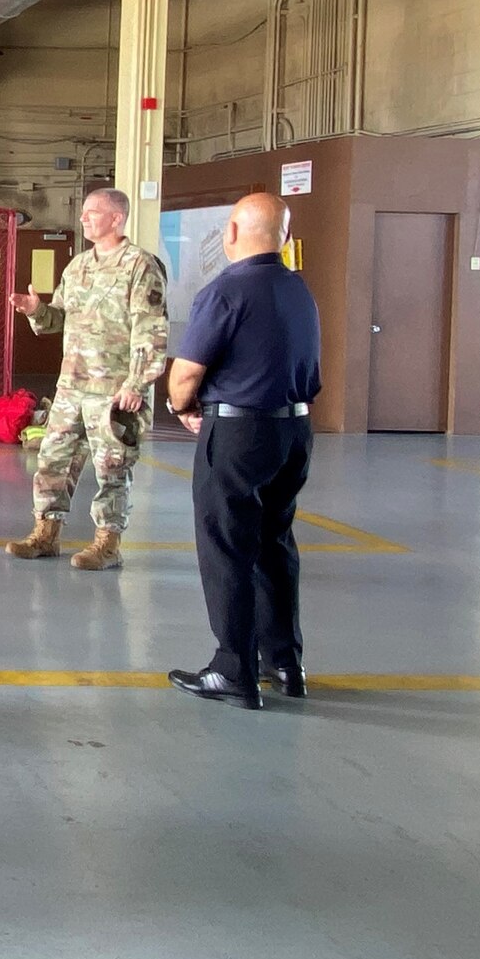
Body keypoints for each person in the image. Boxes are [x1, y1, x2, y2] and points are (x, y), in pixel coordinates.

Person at [165, 193, 322, 711]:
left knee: (228, 545)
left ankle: (234, 670)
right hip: (294, 431)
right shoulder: (298, 289)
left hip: (239, 434)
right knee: (275, 542)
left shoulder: (227, 290)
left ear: (231, 232)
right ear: (284, 235)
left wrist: (181, 405)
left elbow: (187, 371)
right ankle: (285, 662)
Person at [4, 188, 169, 571]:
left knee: (112, 467)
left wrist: (136, 384)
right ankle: (46, 534)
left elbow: (151, 331)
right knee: (52, 461)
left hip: (113, 392)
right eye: (85, 212)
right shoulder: (77, 266)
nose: (84, 218)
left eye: (93, 212)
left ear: (117, 218)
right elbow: (58, 320)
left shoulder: (139, 266)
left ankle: (107, 544)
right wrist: (37, 310)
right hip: (71, 387)